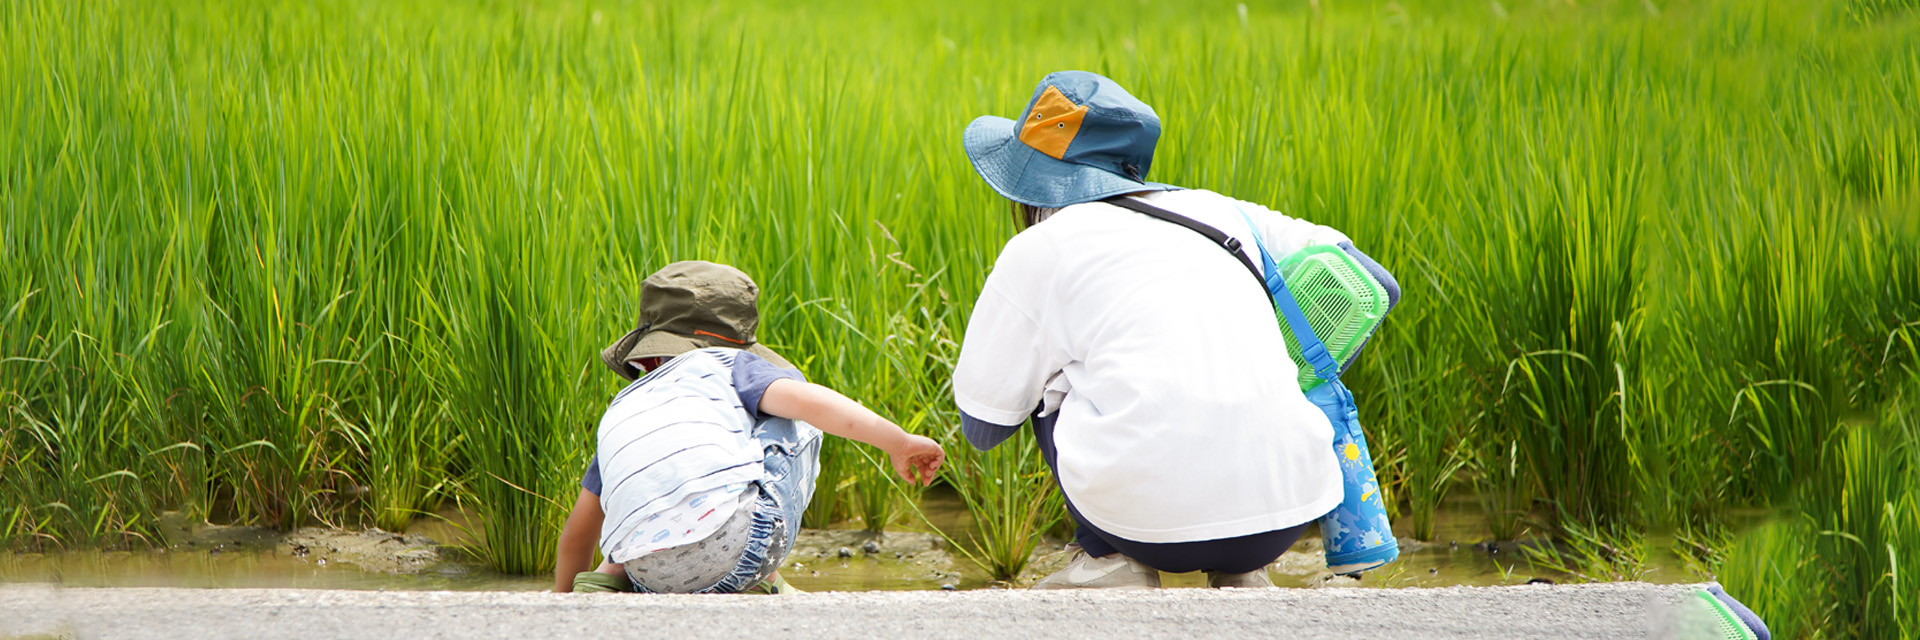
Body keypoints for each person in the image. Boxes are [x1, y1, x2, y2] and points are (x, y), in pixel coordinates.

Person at [952, 71, 1401, 589]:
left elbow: (983, 427)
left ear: (1035, 181)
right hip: (1285, 517)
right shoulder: (1221, 211)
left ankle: (1108, 562)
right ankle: (1243, 573)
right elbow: (1373, 280)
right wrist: (1268, 357)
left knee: (1054, 376)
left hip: (1142, 525)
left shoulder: (1042, 246)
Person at [552, 260, 945, 594]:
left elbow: (577, 533)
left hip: (646, 572)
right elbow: (812, 404)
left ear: (650, 357)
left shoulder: (627, 407)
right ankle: (766, 577)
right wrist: (899, 441)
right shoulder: (730, 365)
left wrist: (563, 602)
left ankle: (608, 577)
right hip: (738, 552)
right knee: (794, 407)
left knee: (647, 487)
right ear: (735, 345)